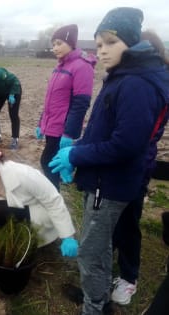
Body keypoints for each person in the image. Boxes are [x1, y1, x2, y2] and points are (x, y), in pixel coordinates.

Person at [48, 7, 169, 315]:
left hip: (110, 185)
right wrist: (76, 147)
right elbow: (104, 129)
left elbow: (126, 143)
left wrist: (76, 154)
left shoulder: (136, 83)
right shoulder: (123, 76)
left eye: (109, 43)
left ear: (129, 42)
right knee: (98, 245)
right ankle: (97, 296)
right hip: (105, 180)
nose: (101, 51)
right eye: (98, 44)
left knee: (91, 250)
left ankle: (94, 307)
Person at [111, 29, 169, 306]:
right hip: (122, 164)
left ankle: (129, 278)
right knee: (114, 221)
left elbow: (135, 138)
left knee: (128, 222)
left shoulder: (149, 84)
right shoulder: (130, 78)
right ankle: (110, 260)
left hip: (135, 166)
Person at [35, 24, 96, 191]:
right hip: (52, 125)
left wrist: (69, 133)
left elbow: (81, 103)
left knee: (48, 163)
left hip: (63, 129)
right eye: (53, 44)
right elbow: (51, 99)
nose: (55, 48)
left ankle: (53, 200)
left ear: (71, 43)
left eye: (59, 43)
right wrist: (41, 123)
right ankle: (55, 193)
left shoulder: (82, 66)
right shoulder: (60, 66)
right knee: (52, 164)